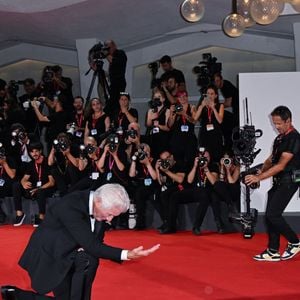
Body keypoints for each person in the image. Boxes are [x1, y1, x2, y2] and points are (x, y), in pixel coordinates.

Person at [18, 183, 159, 299]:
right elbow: (92, 245)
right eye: (110, 214)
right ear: (98, 201)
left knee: (89, 259)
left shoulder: (101, 208)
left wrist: (87, 247)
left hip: (72, 250)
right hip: (51, 254)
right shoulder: (71, 205)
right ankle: (16, 295)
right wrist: (126, 254)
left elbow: (95, 243)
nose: (110, 219)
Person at [245, 106, 300, 262]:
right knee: (270, 216)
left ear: (288, 121)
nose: (276, 127)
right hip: (278, 181)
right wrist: (259, 171)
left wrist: (259, 178)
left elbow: (281, 165)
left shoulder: (294, 138)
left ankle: (295, 242)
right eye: (274, 123)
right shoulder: (280, 138)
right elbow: (271, 160)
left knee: (272, 214)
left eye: (279, 123)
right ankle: (273, 250)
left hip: (289, 181)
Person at [104, 40, 127, 115]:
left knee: (117, 102)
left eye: (109, 47)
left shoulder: (120, 53)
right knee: (112, 102)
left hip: (119, 83)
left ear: (114, 46)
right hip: (113, 84)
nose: (108, 50)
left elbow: (113, 61)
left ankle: (116, 117)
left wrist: (106, 54)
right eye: (106, 48)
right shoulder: (112, 56)